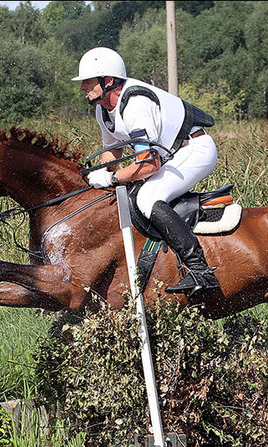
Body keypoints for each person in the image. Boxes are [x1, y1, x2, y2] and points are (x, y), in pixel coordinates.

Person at [72, 47, 220, 295]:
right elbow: (113, 152)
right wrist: (89, 179)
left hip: (195, 149)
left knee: (147, 197)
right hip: (170, 154)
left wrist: (110, 177)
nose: (82, 87)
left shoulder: (136, 104)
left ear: (108, 81)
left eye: (87, 81)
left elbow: (149, 165)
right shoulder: (103, 109)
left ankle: (200, 271)